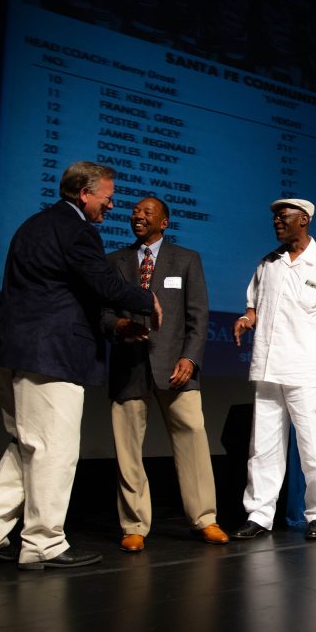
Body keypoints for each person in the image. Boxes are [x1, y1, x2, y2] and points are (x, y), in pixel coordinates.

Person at [0, 161, 160, 570]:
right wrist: (146, 301)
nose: (112, 203)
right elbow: (101, 282)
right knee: (54, 450)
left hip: (12, 352)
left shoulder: (34, 224)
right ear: (84, 194)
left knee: (27, 446)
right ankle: (44, 544)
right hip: (51, 355)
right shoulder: (76, 230)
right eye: (106, 196)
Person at [101, 197, 229, 552]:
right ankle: (134, 524)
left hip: (176, 369)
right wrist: (120, 325)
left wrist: (190, 358)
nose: (137, 216)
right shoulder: (114, 262)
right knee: (127, 450)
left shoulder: (186, 259)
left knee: (193, 441)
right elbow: (103, 316)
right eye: (135, 212)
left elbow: (198, 317)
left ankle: (205, 518)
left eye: (147, 213)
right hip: (129, 368)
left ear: (164, 223)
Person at [230, 198, 316, 540]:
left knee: (315, 449)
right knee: (263, 449)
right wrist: (246, 319)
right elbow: (253, 306)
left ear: (304, 220)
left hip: (310, 372)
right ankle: (259, 515)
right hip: (268, 370)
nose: (276, 222)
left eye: (282, 217)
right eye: (274, 217)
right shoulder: (268, 263)